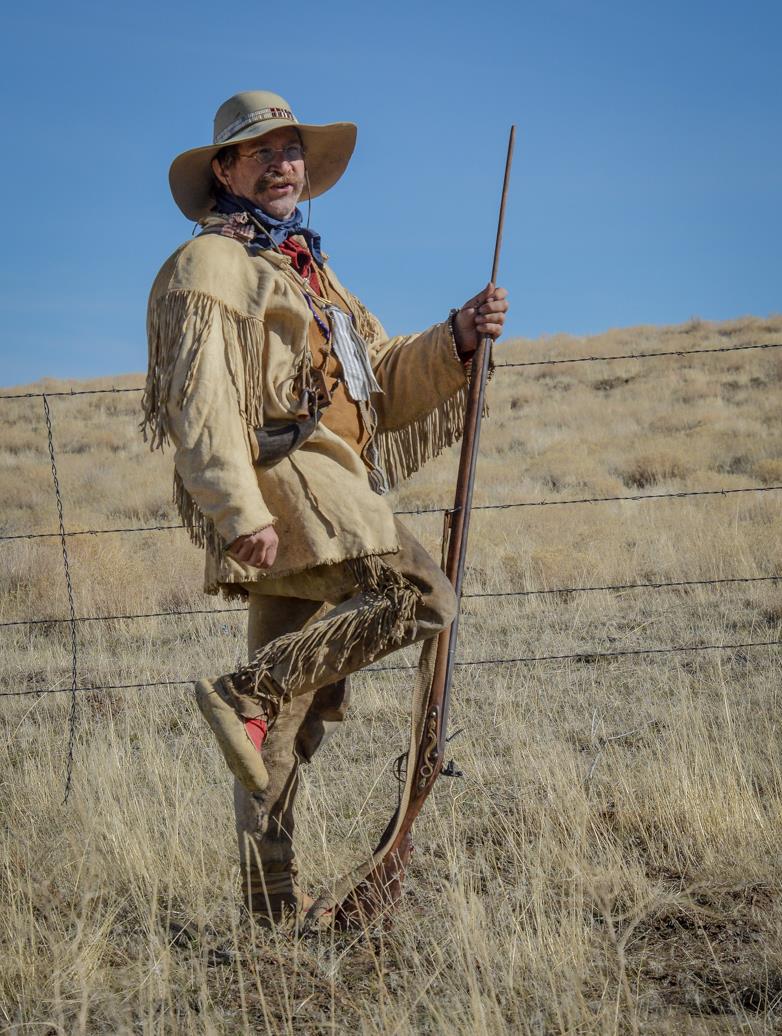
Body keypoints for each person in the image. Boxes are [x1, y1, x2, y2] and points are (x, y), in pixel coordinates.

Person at [143, 91, 508, 927]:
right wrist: (238, 512)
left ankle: (270, 908)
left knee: (281, 728)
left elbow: (375, 385)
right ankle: (243, 690)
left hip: (330, 482)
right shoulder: (213, 264)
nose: (282, 165)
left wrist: (456, 334)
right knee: (419, 594)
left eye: (292, 150)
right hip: (292, 484)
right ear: (224, 171)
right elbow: (200, 400)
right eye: (260, 152)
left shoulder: (307, 267)